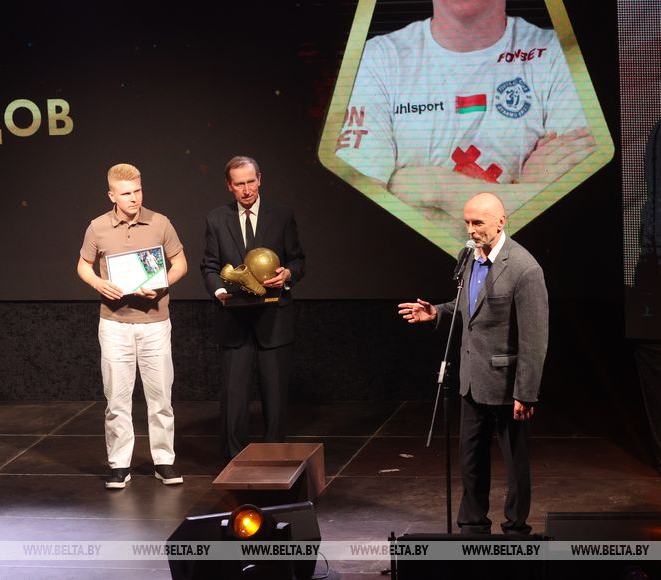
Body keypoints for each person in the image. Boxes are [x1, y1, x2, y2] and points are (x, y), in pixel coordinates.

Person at [336, 0, 596, 236]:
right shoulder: (378, 58)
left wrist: (437, 188)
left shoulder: (559, 54)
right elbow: (360, 220)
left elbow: (577, 218)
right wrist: (530, 194)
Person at [397, 192, 548, 534]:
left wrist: (526, 392)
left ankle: (516, 527)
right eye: (466, 222)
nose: (471, 229)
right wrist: (437, 312)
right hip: (471, 379)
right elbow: (469, 307)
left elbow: (535, 337)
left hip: (507, 385)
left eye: (478, 222)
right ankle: (472, 524)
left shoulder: (524, 268)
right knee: (470, 459)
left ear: (501, 221)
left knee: (515, 463)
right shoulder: (468, 257)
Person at [77, 163, 188, 489]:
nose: (134, 198)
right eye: (126, 193)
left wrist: (162, 282)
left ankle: (164, 461)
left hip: (155, 322)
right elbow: (83, 265)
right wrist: (99, 283)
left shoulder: (160, 222)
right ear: (112, 195)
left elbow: (180, 262)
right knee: (116, 399)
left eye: (138, 191)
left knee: (160, 397)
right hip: (115, 324)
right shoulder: (97, 227)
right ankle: (119, 464)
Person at [201, 156, 306, 460]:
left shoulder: (282, 216)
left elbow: (298, 260)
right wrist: (219, 291)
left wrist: (287, 274)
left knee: (275, 394)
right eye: (239, 184)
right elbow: (209, 266)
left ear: (260, 179)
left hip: (274, 316)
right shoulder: (216, 219)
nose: (246, 190)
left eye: (251, 182)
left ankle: (273, 457)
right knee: (233, 394)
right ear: (229, 186)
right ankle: (234, 459)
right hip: (234, 317)